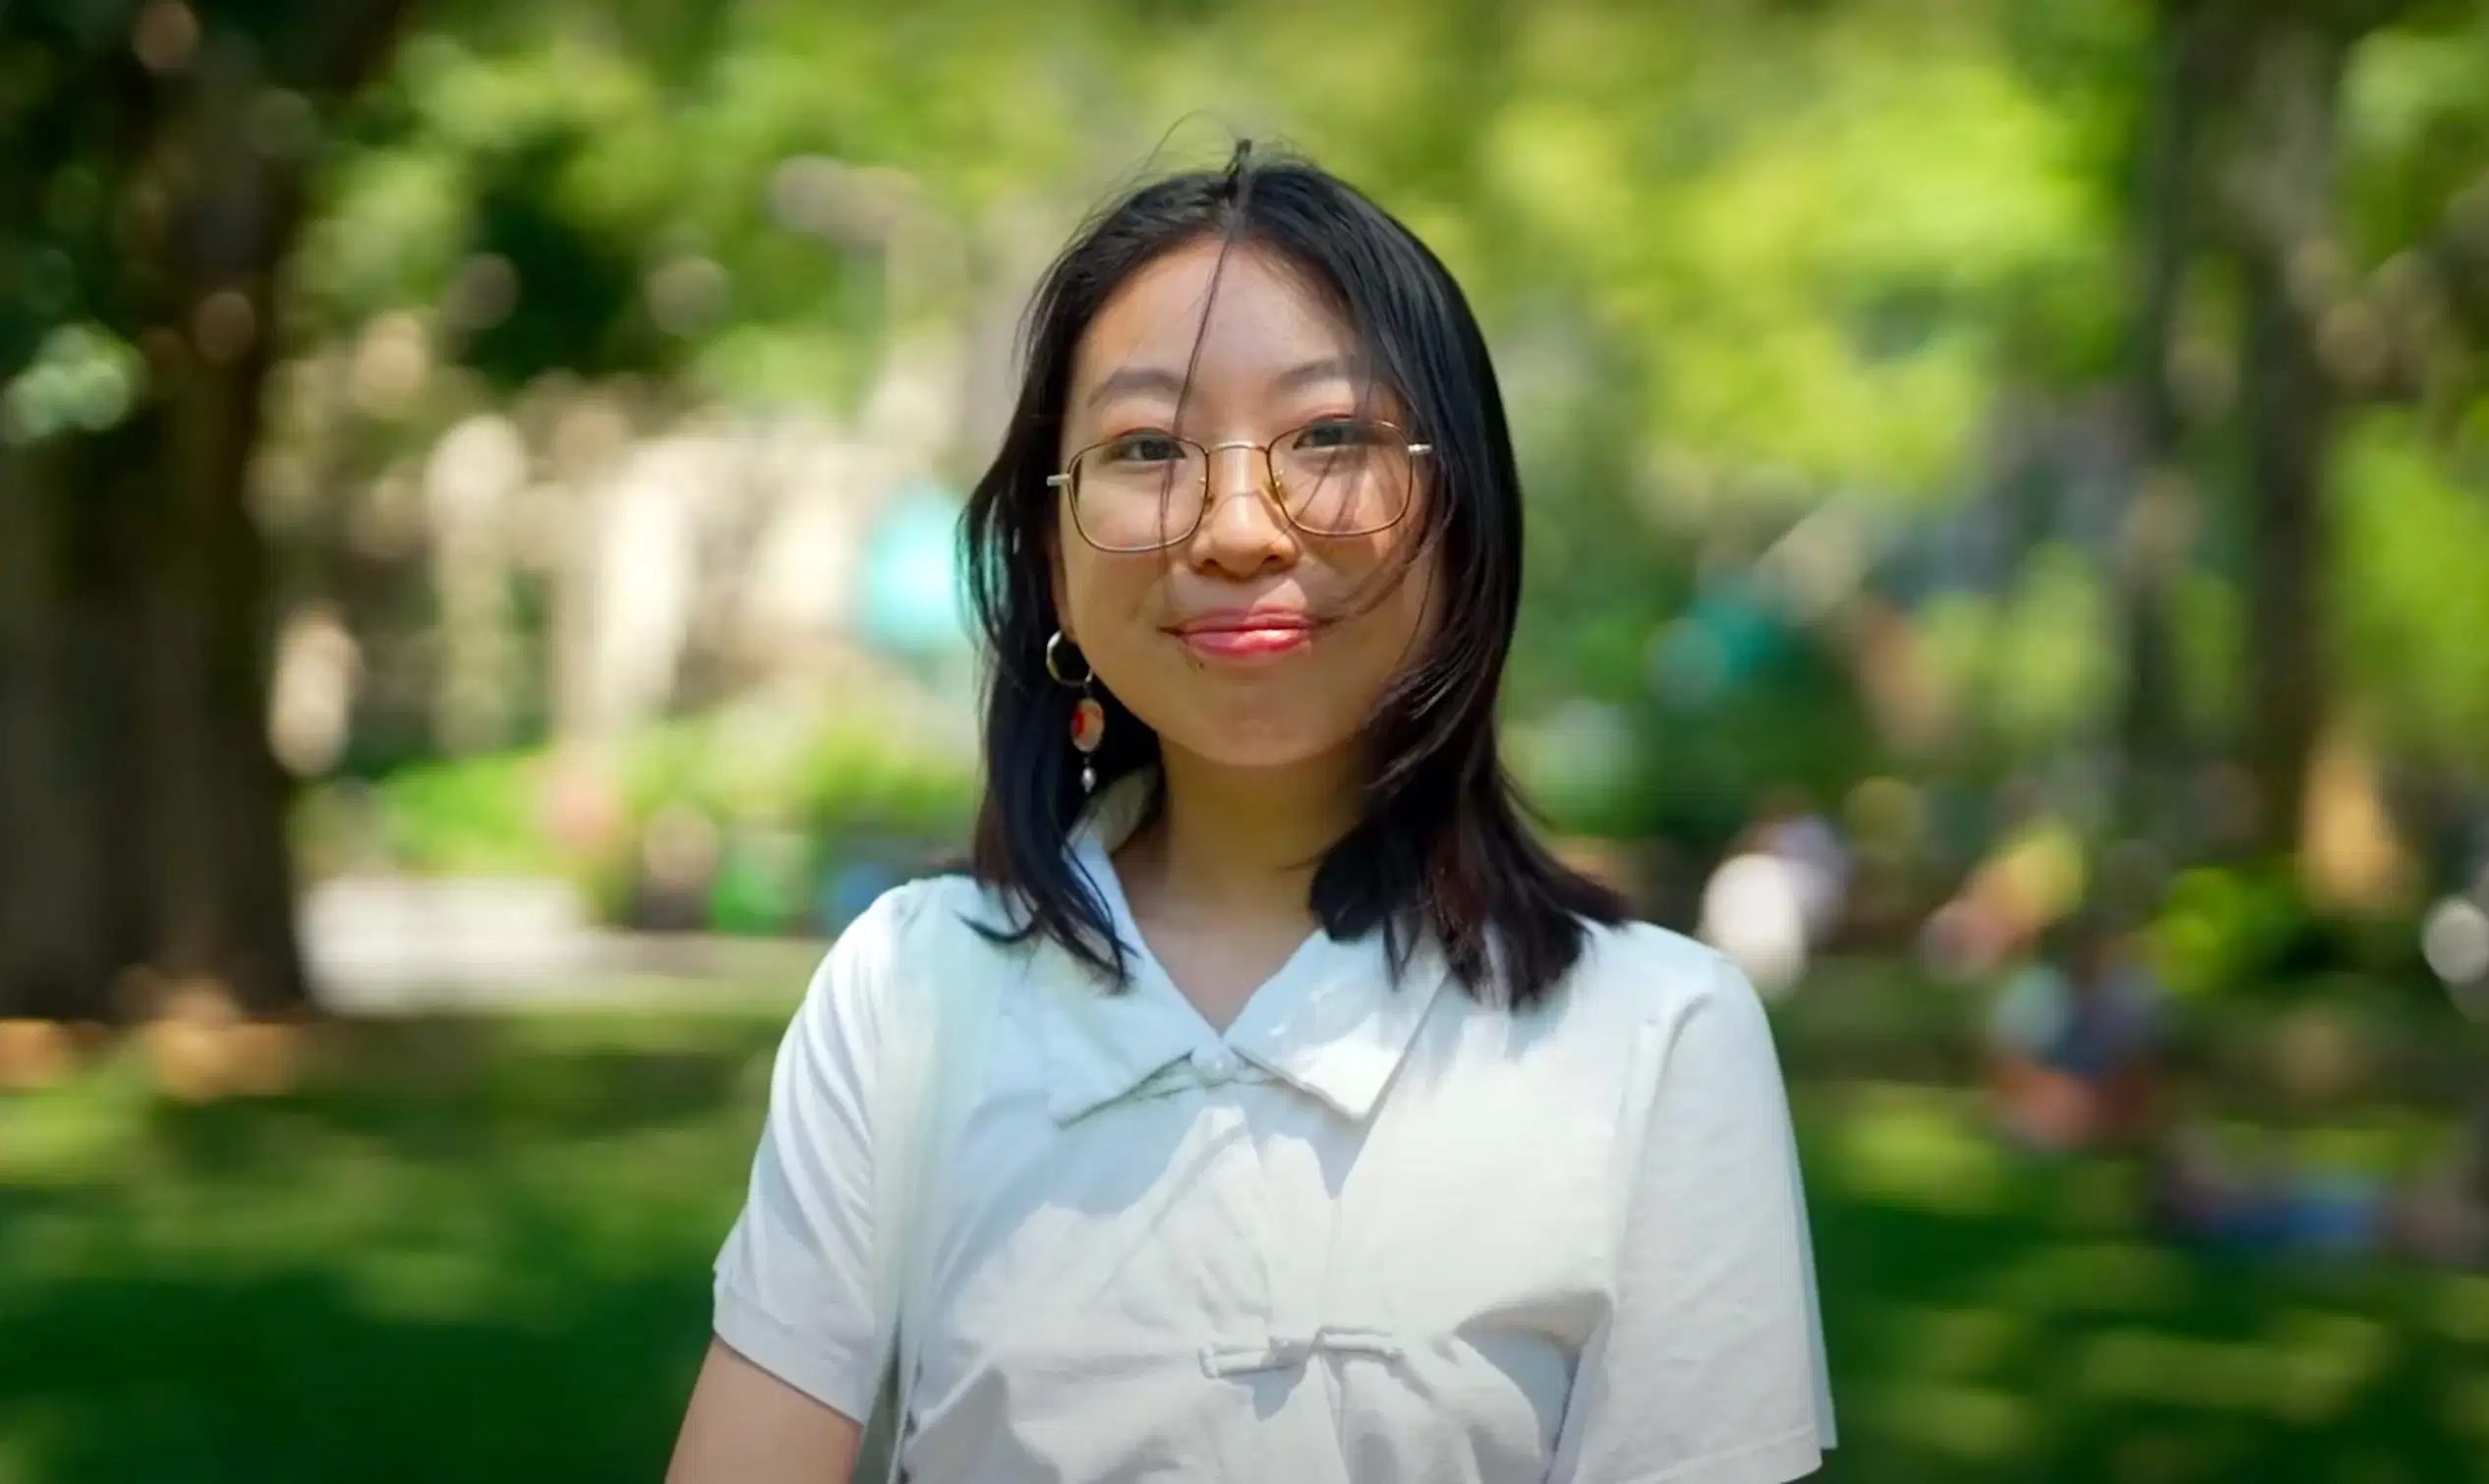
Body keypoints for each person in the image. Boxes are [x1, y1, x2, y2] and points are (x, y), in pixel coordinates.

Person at [667, 145, 1836, 1484]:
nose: (1236, 528)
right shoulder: (909, 991)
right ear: (1048, 545)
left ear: (1462, 511)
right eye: (1147, 446)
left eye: (1330, 435)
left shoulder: (1655, 1036)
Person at [1984, 914, 2166, 1154]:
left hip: (2104, 1098)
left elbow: (2139, 1066)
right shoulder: (2034, 991)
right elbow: (2008, 1065)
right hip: (2047, 1096)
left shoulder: (2126, 996)